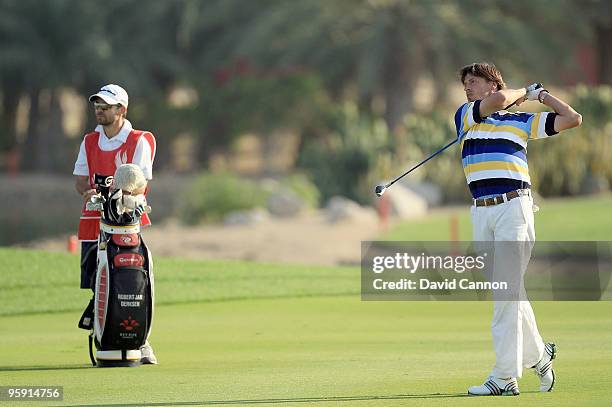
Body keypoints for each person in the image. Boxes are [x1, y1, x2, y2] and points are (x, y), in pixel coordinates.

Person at [454, 63, 582, 396]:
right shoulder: (466, 115)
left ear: (493, 84)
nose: (467, 87)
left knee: (504, 294)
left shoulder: (520, 122)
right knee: (510, 292)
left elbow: (572, 119)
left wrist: (544, 96)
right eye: (465, 83)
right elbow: (496, 103)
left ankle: (505, 377)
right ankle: (540, 355)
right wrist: (525, 92)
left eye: (474, 82)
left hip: (514, 208)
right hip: (481, 213)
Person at [73, 84, 158, 364]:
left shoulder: (138, 140)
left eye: (106, 106)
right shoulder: (88, 141)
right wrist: (88, 191)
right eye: (97, 105)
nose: (99, 110)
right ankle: (106, 335)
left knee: (129, 282)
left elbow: (141, 181)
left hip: (125, 223)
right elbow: (80, 179)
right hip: (92, 221)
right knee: (96, 282)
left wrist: (121, 198)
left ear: (121, 110)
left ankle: (141, 341)